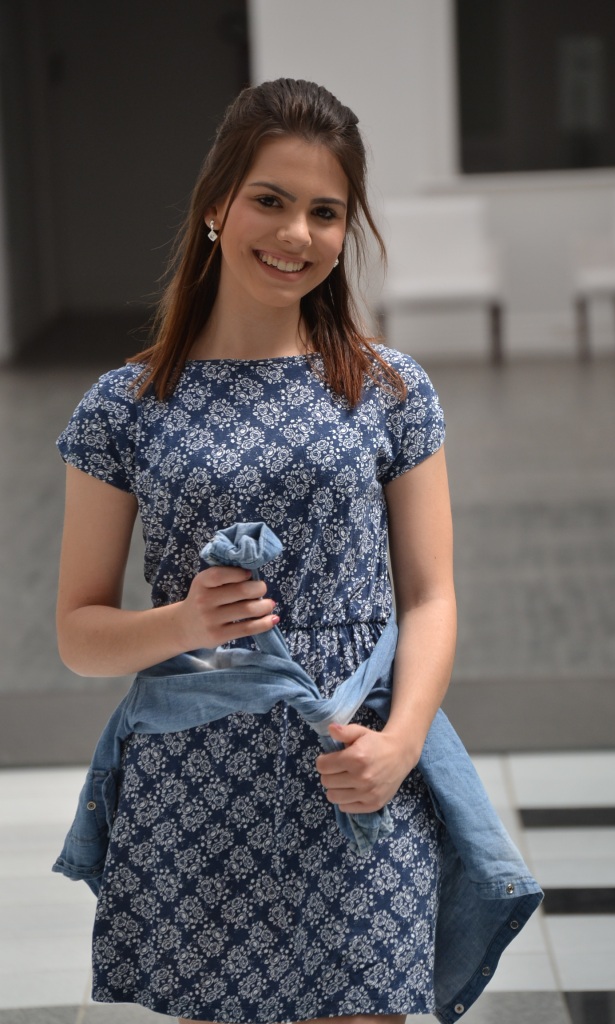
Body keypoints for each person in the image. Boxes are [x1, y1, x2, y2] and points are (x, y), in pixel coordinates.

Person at [56, 78, 457, 1024]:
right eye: (271, 200)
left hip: (358, 767)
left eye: (326, 212)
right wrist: (185, 622)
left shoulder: (390, 389)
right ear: (215, 206)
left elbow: (431, 597)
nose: (296, 234)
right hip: (196, 791)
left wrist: (401, 747)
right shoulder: (123, 407)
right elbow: (78, 634)